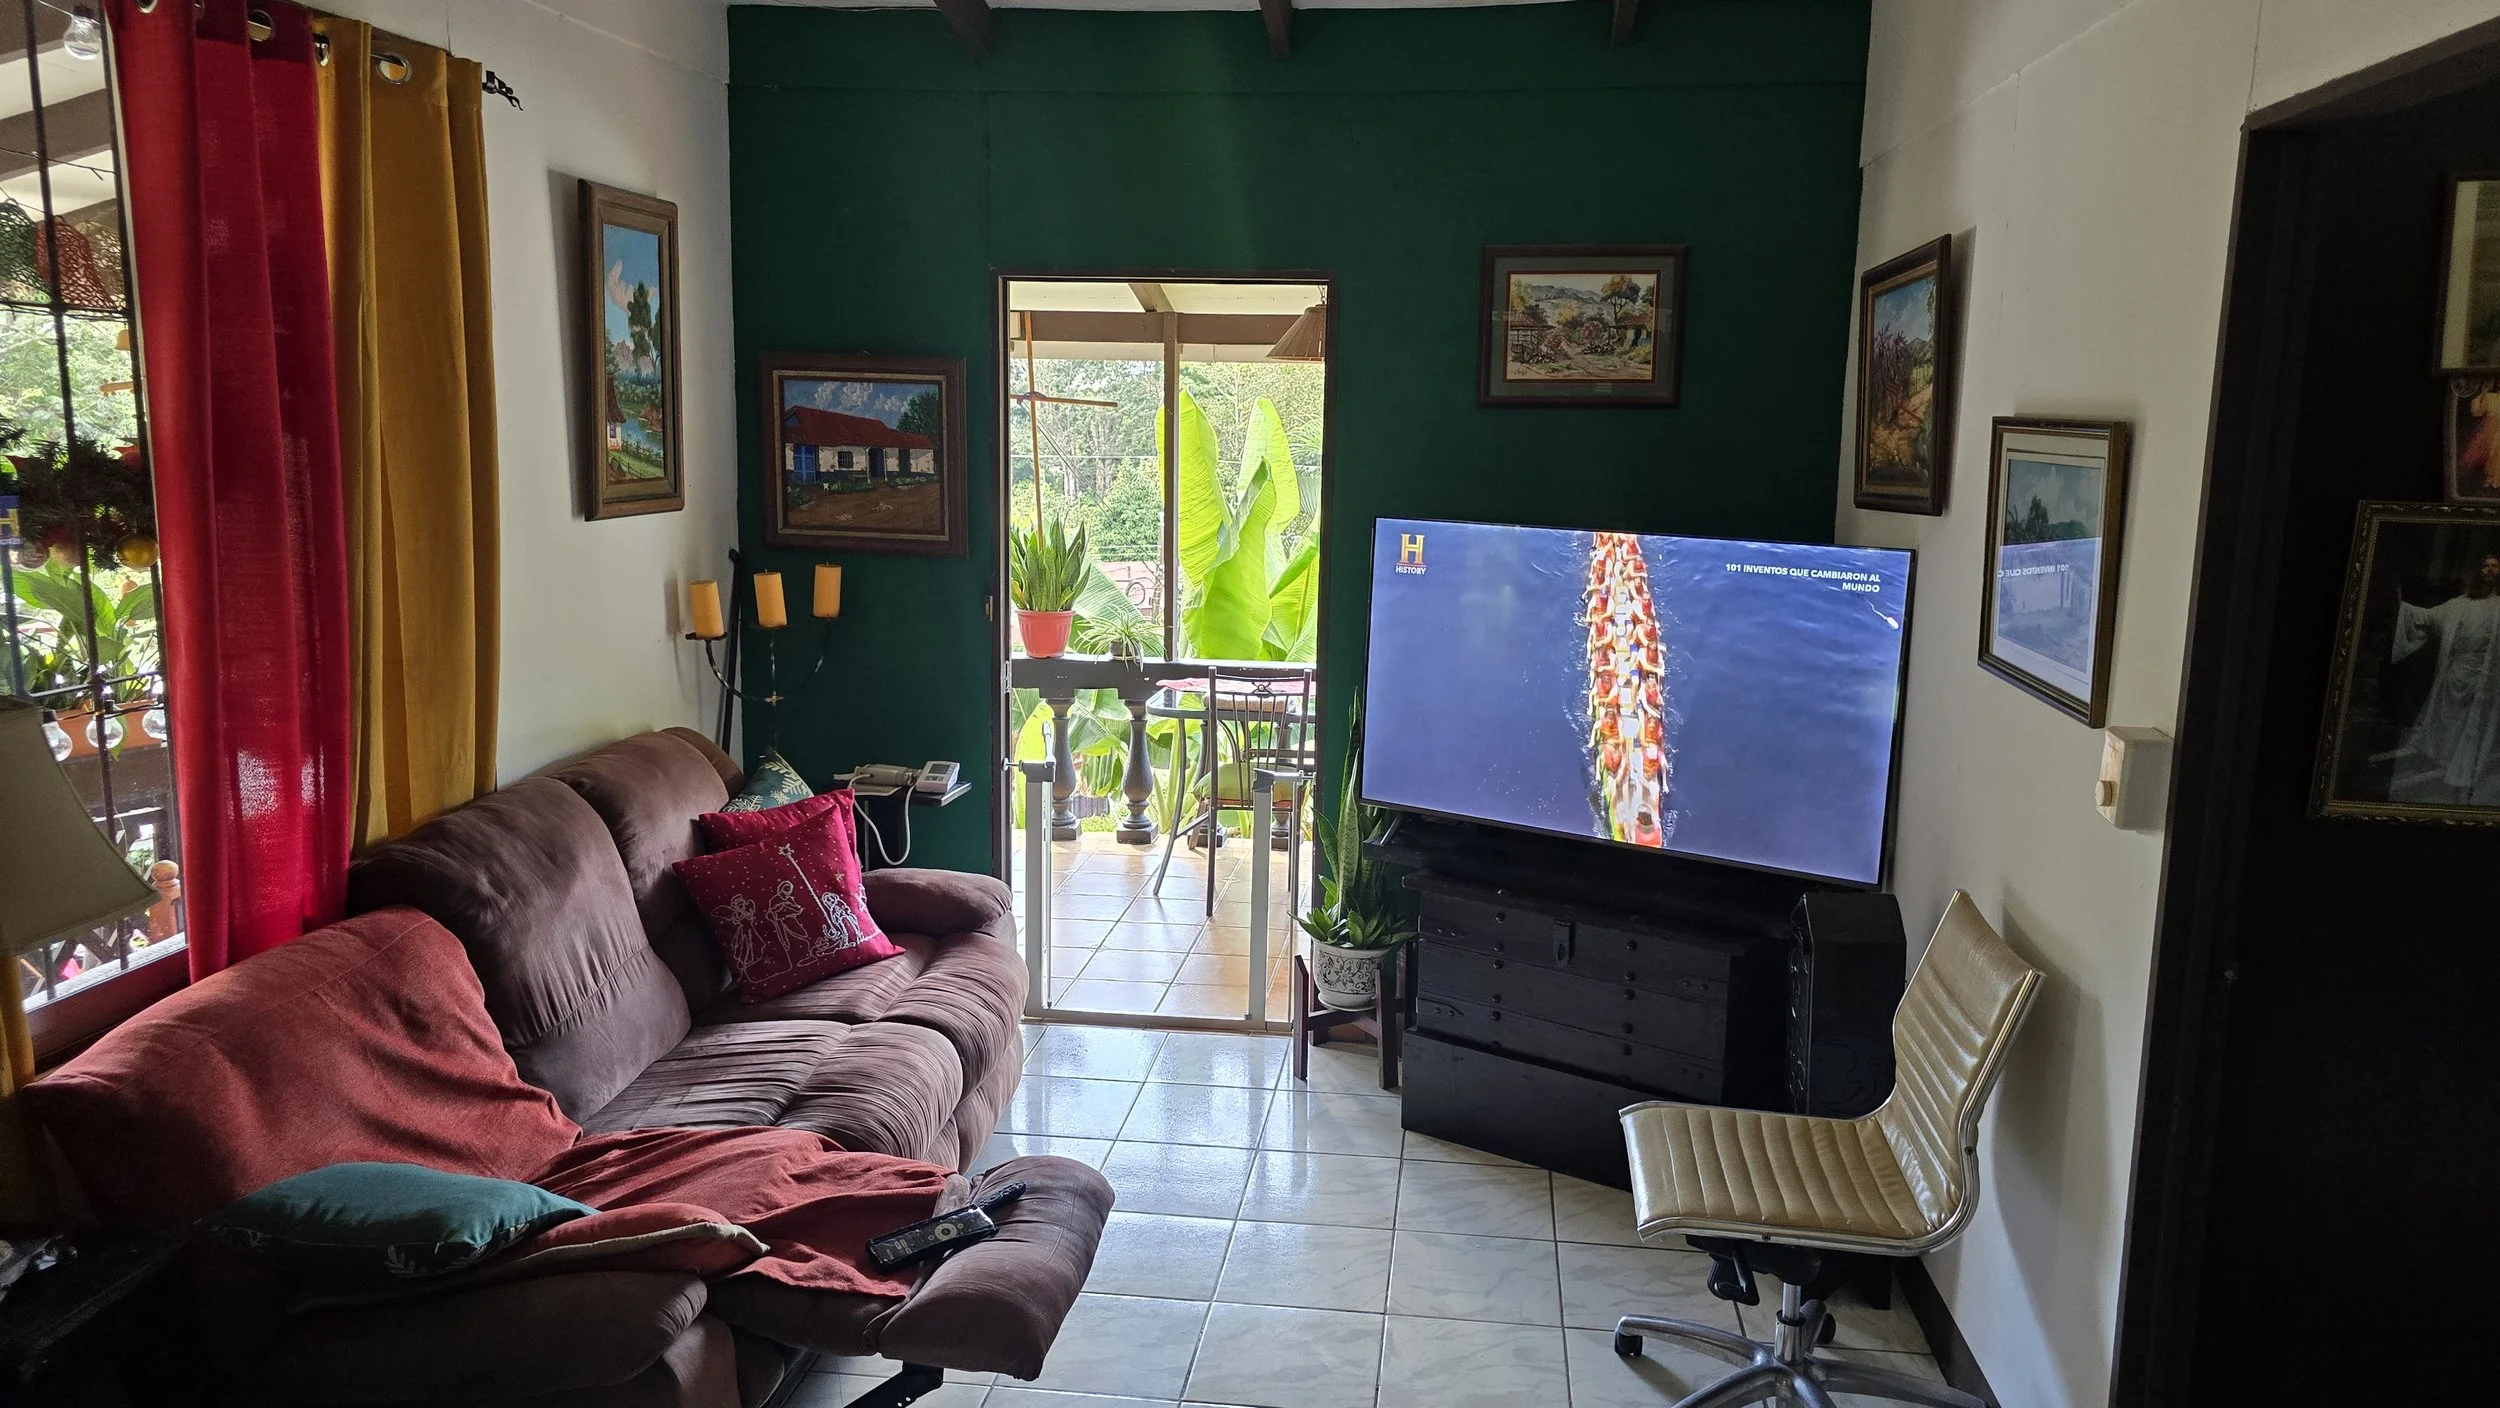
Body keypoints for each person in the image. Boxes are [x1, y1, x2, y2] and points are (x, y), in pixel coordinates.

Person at [2388, 552, 2500, 805]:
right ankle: (2438, 761)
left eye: (2495, 567)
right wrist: (2403, 607)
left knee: (2471, 726)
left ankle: (2461, 770)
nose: (2491, 571)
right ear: (2479, 572)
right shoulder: (2460, 604)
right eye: (2486, 566)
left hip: (2484, 679)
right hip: (2455, 674)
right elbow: (2430, 618)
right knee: (2446, 720)